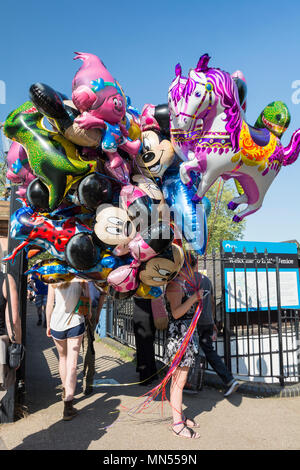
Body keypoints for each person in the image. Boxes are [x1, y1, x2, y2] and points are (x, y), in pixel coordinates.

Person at [187, 255, 240, 397]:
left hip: (194, 322)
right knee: (208, 352)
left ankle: (192, 383)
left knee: (190, 353)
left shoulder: (185, 281)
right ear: (196, 263)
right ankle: (229, 380)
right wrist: (213, 321)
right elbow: (210, 301)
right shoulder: (206, 280)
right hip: (207, 321)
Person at [164, 260, 203, 439]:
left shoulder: (180, 285)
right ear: (186, 268)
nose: (194, 273)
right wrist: (194, 299)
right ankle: (177, 424)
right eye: (193, 269)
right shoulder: (174, 286)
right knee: (179, 382)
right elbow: (176, 313)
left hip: (185, 338)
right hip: (180, 339)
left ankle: (179, 416)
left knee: (178, 381)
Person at [46, 279, 90, 421]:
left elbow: (49, 304)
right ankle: (68, 404)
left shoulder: (53, 278)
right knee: (72, 362)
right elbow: (87, 300)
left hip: (56, 324)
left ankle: (65, 390)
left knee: (62, 358)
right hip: (75, 322)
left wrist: (48, 324)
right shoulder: (81, 278)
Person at [83, 282, 106, 395]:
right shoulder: (100, 272)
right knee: (88, 345)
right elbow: (102, 295)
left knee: (73, 348)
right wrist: (98, 313)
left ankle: (68, 386)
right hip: (92, 307)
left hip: (75, 307)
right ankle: (88, 383)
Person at [132, 297, 159, 386]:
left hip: (141, 311)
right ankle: (151, 373)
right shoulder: (153, 284)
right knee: (148, 345)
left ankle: (145, 377)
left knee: (143, 346)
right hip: (151, 310)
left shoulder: (137, 284)